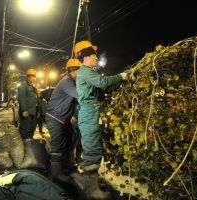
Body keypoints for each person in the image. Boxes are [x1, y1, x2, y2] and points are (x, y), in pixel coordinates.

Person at [74, 40, 135, 199]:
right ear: (86, 56)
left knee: (95, 147)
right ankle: (90, 190)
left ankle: (92, 183)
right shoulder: (85, 71)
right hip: (89, 113)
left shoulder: (89, 72)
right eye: (93, 54)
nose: (96, 56)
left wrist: (123, 82)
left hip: (94, 112)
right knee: (92, 149)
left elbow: (106, 87)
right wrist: (121, 76)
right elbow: (103, 82)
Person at [46, 59, 81, 183]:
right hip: (54, 117)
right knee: (57, 144)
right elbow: (80, 95)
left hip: (63, 118)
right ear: (73, 71)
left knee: (70, 141)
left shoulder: (72, 81)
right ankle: (56, 174)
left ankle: (67, 167)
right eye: (79, 71)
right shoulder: (67, 82)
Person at [18, 69, 38, 139]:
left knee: (31, 130)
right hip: (27, 113)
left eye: (35, 76)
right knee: (24, 130)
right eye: (32, 76)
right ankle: (23, 145)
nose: (34, 78)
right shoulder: (23, 86)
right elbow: (21, 99)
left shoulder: (33, 88)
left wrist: (38, 112)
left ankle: (30, 144)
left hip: (33, 113)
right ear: (28, 77)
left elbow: (36, 100)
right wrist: (24, 110)